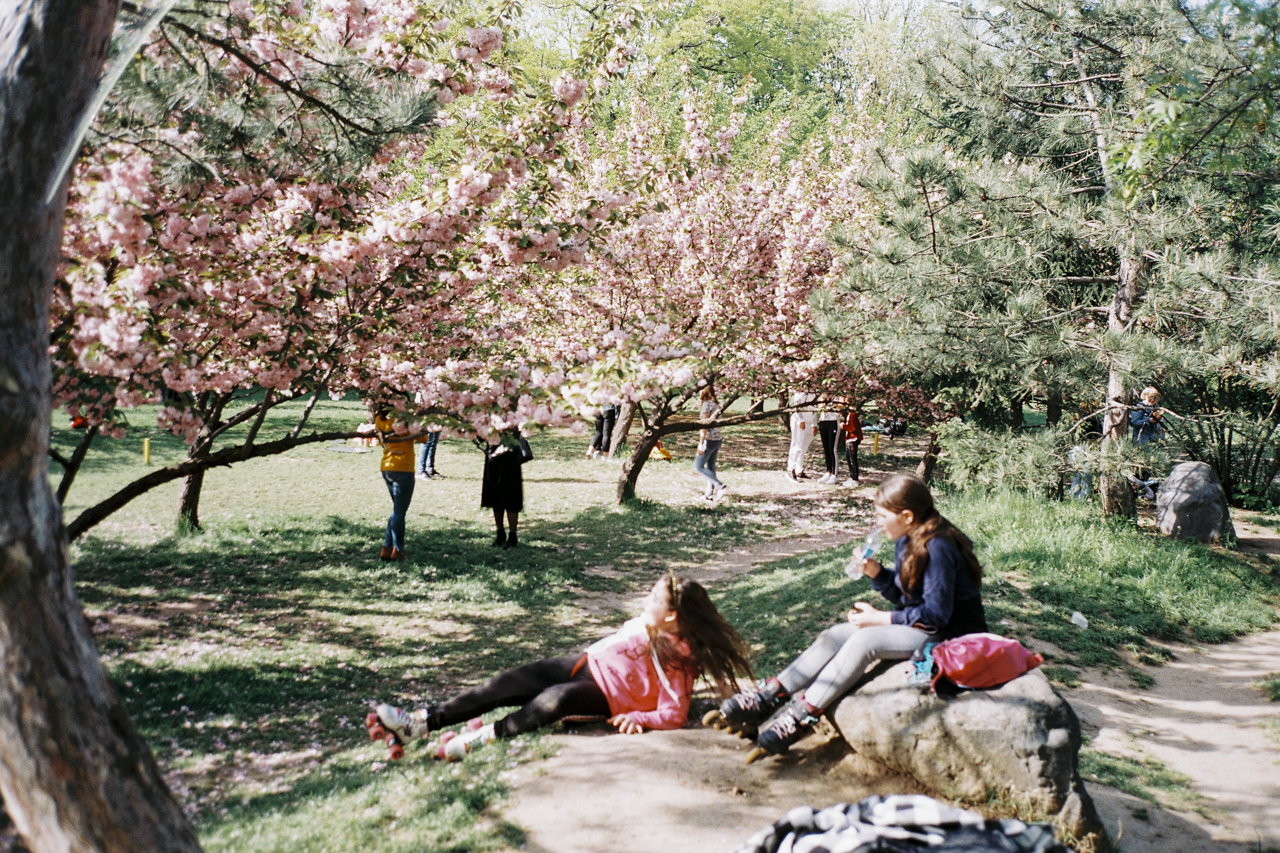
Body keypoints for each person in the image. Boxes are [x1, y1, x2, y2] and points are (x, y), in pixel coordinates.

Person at [713, 474, 987, 758]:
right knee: (834, 636)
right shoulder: (908, 538)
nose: (876, 522)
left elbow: (935, 615)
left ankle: (800, 716)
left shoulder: (938, 547)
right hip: (925, 626)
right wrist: (877, 574)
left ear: (907, 515)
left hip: (950, 635)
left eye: (882, 516)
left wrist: (881, 619)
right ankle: (768, 698)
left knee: (864, 641)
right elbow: (909, 599)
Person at [368, 574, 755, 761]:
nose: (646, 598)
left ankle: (478, 738)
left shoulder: (681, 655)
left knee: (553, 702)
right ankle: (420, 722)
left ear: (672, 616)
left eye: (655, 597)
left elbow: (674, 712)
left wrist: (639, 715)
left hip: (602, 696)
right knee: (506, 683)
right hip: (583, 664)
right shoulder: (648, 622)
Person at [374, 406, 426, 561]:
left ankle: (387, 548)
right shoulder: (406, 424)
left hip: (387, 468)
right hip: (404, 469)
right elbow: (424, 438)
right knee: (399, 512)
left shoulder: (381, 421)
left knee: (397, 509)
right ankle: (398, 549)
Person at [480, 428, 529, 548]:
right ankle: (500, 533)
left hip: (510, 459)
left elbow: (515, 435)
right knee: (495, 496)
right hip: (493, 458)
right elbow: (480, 437)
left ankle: (512, 536)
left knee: (512, 498)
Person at [694, 386, 726, 500]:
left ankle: (719, 485)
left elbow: (705, 425)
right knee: (711, 467)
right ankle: (709, 494)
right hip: (718, 438)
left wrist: (701, 443)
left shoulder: (707, 405)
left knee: (698, 466)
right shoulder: (716, 404)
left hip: (709, 439)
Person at [786, 392, 817, 481]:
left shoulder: (815, 391)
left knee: (804, 447)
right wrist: (801, 420)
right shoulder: (800, 391)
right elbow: (797, 406)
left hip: (809, 421)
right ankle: (790, 469)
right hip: (799, 421)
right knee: (797, 445)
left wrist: (814, 424)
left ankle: (799, 470)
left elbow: (815, 408)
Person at [840, 405, 863, 486]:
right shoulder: (852, 414)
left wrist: (844, 426)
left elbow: (852, 428)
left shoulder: (853, 414)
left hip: (853, 438)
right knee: (849, 457)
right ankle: (852, 475)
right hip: (851, 438)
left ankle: (855, 478)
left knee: (852, 458)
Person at [817, 409, 842, 484]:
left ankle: (835, 474)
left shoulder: (837, 397)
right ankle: (829, 471)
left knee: (833, 449)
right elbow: (820, 407)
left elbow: (841, 407)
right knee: (826, 448)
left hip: (833, 420)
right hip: (823, 420)